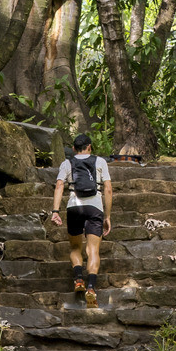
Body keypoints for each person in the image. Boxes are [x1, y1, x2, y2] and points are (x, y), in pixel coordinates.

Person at [50, 131, 112, 307]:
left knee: (75, 247)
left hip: (74, 207)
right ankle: (91, 288)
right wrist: (107, 215)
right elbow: (108, 189)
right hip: (95, 208)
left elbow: (60, 185)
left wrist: (55, 210)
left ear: (73, 149)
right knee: (93, 250)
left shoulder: (67, 163)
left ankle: (78, 280)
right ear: (90, 147)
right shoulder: (100, 162)